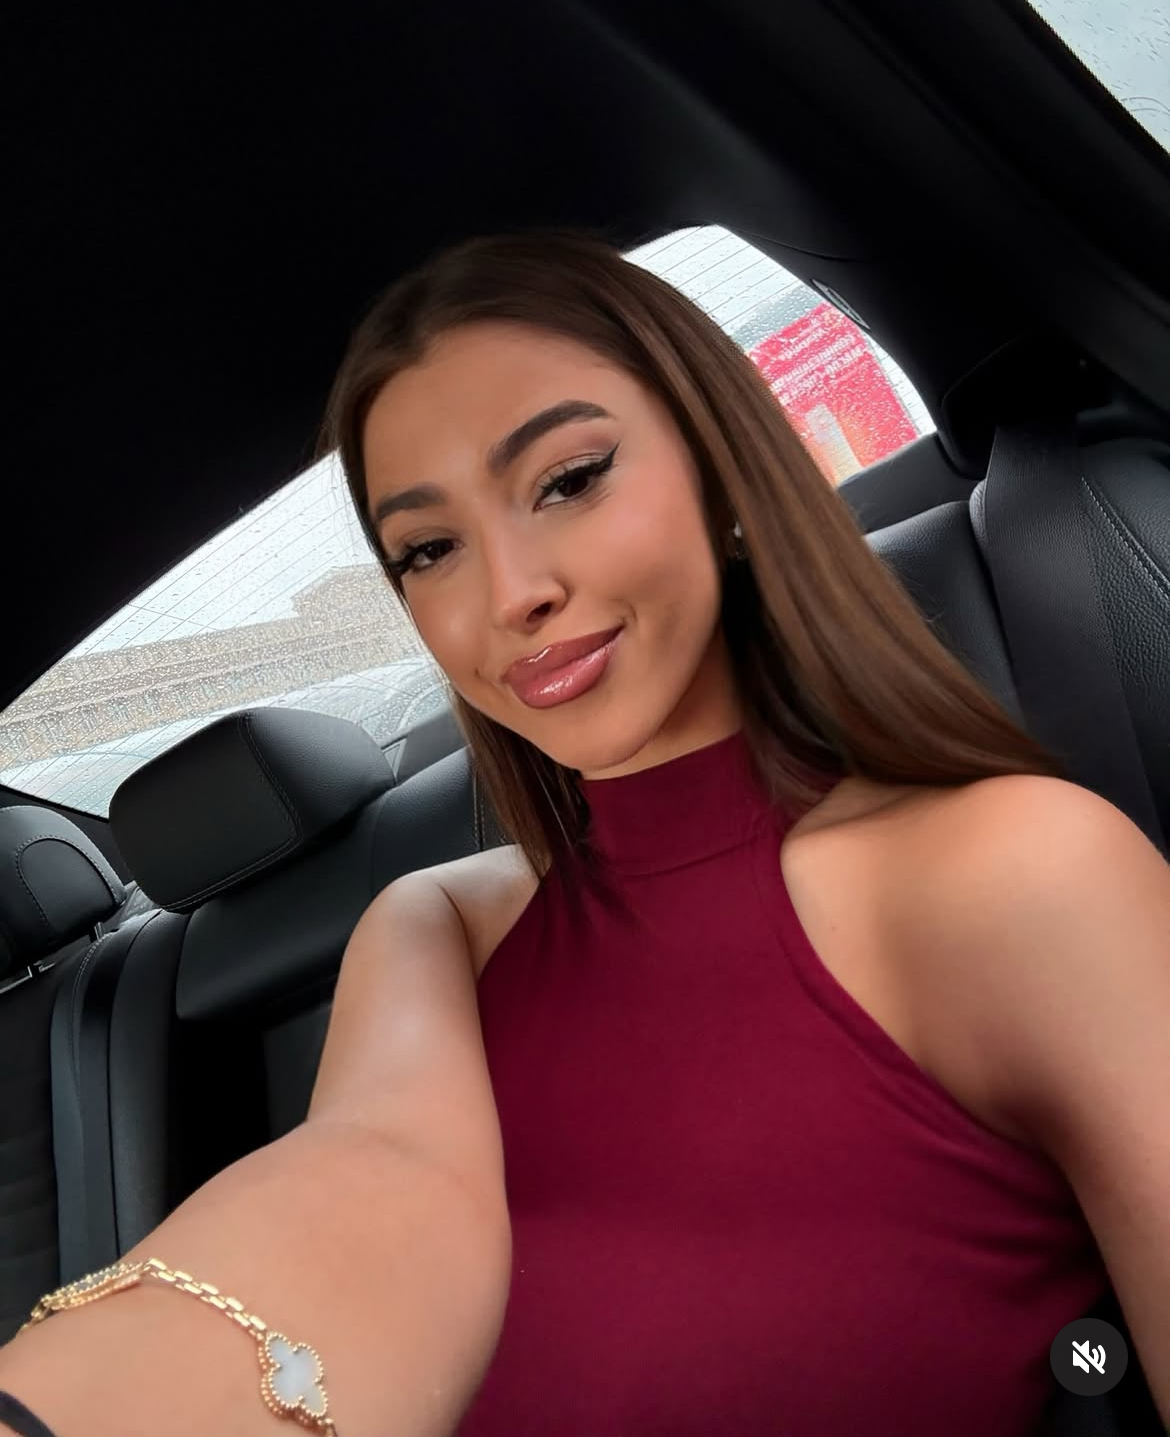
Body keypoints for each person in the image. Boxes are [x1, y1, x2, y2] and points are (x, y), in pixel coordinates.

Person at [2, 228, 1168, 1435]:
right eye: (430, 549)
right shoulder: (440, 926)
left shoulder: (1018, 871)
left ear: (723, 472)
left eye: (568, 479)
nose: (511, 593)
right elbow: (374, 1174)